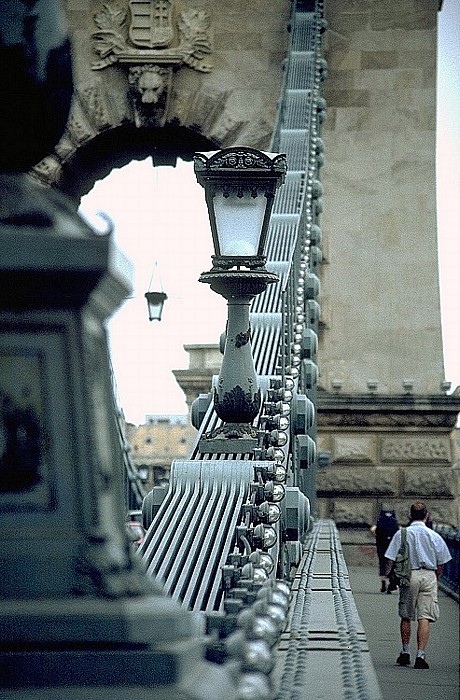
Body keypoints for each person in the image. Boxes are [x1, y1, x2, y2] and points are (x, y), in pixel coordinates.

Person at [384, 501, 452, 669]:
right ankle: (420, 655)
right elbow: (443, 561)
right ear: (426, 515)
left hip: (410, 575)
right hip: (429, 575)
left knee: (406, 615)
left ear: (409, 515)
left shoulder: (402, 534)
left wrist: (389, 577)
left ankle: (405, 652)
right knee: (424, 617)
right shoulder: (434, 535)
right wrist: (435, 576)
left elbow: (390, 558)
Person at [371, 507, 399, 593]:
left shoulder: (380, 520)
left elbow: (374, 531)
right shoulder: (394, 521)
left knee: (382, 563)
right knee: (391, 564)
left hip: (381, 545)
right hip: (391, 545)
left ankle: (383, 583)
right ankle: (390, 583)